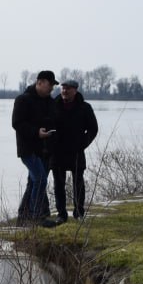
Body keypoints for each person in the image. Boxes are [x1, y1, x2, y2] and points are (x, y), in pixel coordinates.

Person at [12, 70, 59, 225]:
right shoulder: (23, 100)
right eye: (50, 85)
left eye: (53, 85)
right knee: (40, 180)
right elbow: (17, 123)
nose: (51, 88)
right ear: (39, 82)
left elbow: (53, 120)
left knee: (33, 182)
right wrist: (36, 132)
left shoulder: (50, 102)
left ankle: (23, 216)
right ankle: (36, 217)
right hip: (28, 149)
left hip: (45, 149)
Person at [49, 79, 99, 223]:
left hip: (76, 151)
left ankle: (79, 212)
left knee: (78, 183)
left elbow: (93, 128)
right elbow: (46, 125)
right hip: (57, 151)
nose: (65, 91)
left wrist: (83, 143)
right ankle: (61, 214)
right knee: (58, 184)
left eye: (68, 89)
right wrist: (51, 143)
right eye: (63, 88)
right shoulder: (53, 106)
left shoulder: (85, 107)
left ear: (75, 90)